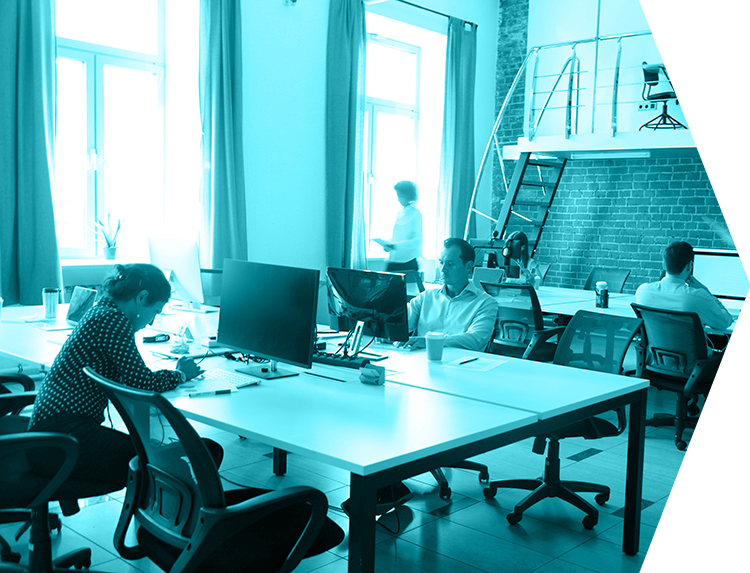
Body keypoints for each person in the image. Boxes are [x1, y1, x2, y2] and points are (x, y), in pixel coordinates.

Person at [28, 263, 212, 491]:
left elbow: (132, 377)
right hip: (61, 442)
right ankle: (176, 518)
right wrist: (181, 374)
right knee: (168, 462)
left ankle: (165, 518)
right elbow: (142, 383)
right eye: (155, 311)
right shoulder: (112, 321)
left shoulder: (101, 310)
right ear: (141, 297)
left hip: (51, 435)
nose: (153, 321)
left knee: (161, 458)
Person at [401, 237, 498, 351]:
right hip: (421, 360)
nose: (442, 269)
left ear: (468, 266)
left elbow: (475, 339)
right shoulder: (426, 297)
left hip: (461, 364)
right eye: (441, 262)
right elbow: (400, 325)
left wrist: (430, 341)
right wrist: (388, 332)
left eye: (450, 264)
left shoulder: (485, 303)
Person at [635, 240, 733, 331]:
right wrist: (708, 293)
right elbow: (725, 322)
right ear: (690, 265)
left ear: (663, 264)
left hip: (654, 349)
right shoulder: (699, 297)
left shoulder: (643, 292)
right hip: (690, 350)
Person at [379, 180, 423, 273]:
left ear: (407, 195)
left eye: (400, 195)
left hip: (408, 261)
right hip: (394, 259)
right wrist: (388, 244)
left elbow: (417, 241)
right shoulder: (400, 212)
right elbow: (398, 237)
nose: (398, 198)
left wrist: (395, 246)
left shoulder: (416, 213)